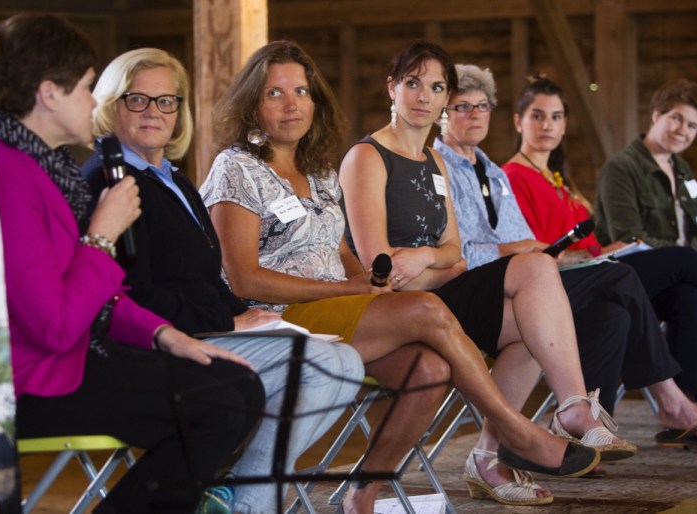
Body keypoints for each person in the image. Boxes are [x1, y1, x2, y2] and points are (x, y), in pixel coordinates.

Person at [201, 40, 601, 512]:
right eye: (275, 94)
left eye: (302, 92)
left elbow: (343, 249)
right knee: (429, 309)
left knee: (429, 369)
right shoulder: (237, 167)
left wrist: (364, 278)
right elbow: (244, 278)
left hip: (342, 310)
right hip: (276, 321)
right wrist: (349, 287)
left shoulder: (319, 169)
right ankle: (515, 430)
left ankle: (362, 492)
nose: (292, 105)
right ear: (252, 102)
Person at [338, 40, 636, 506]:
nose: (423, 96)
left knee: (536, 322)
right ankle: (556, 418)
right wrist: (427, 259)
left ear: (444, 98)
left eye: (435, 87)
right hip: (394, 309)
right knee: (536, 278)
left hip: (438, 292)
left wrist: (424, 259)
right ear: (391, 88)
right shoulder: (367, 157)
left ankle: (498, 449)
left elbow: (455, 253)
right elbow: (383, 267)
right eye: (413, 83)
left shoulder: (434, 161)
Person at [0, 14, 265, 514]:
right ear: (49, 93)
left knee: (233, 386)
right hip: (32, 379)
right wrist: (102, 235)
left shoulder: (44, 167)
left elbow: (93, 291)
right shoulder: (10, 175)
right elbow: (54, 324)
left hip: (76, 351)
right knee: (223, 401)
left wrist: (165, 334)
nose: (94, 101)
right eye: (86, 87)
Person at [79, 47, 365, 514]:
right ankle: (252, 502)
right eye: (138, 100)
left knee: (346, 362)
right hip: (160, 343)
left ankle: (237, 496)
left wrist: (241, 313)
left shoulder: (173, 179)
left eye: (166, 101)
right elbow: (133, 293)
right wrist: (228, 321)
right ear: (111, 105)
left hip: (208, 327)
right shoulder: (110, 181)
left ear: (180, 112)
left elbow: (204, 278)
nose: (154, 112)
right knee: (318, 363)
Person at [436, 63, 697, 455]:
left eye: (482, 106)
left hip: (535, 278)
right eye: (462, 106)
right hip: (488, 290)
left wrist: (553, 253)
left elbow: (531, 246)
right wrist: (530, 252)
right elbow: (489, 250)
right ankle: (673, 402)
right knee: (649, 271)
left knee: (630, 308)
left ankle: (589, 437)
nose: (475, 115)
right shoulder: (454, 168)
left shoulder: (495, 173)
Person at [595, 78, 697, 406]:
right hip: (629, 271)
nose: (683, 130)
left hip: (685, 274)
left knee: (689, 297)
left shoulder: (683, 170)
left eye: (692, 125)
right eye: (676, 118)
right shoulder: (621, 167)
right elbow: (628, 235)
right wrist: (695, 259)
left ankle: (687, 405)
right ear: (656, 114)